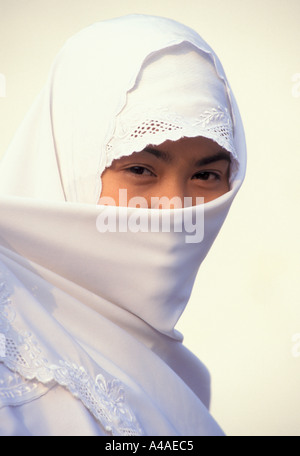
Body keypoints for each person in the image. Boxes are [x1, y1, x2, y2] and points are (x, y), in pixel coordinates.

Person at [0, 14, 246, 436]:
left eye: (206, 176)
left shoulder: (176, 379)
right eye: (139, 168)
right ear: (69, 162)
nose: (174, 208)